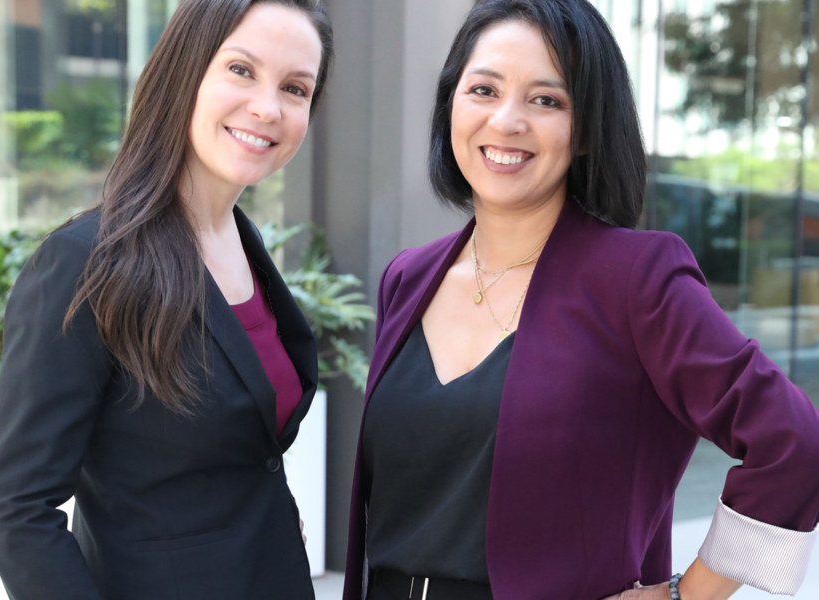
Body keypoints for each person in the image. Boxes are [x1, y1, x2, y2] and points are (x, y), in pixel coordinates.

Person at [343, 1, 819, 599]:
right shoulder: (407, 279)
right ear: (451, 104)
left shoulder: (636, 279)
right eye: (484, 89)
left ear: (587, 131)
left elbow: (794, 442)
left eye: (547, 100)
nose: (507, 121)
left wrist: (685, 594)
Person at [0, 1, 332, 599]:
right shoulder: (85, 263)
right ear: (184, 70)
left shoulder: (246, 248)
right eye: (242, 70)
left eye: (295, 88)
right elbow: (17, 510)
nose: (268, 107)